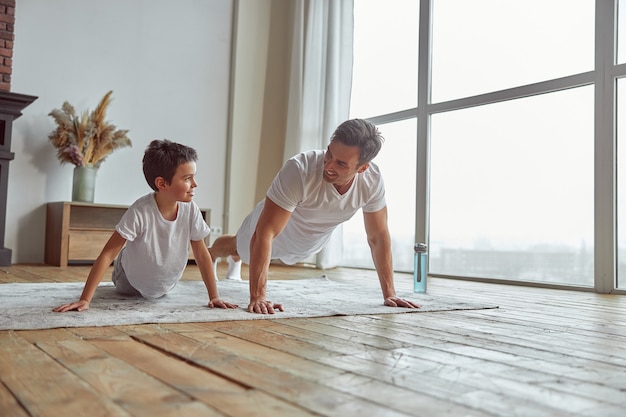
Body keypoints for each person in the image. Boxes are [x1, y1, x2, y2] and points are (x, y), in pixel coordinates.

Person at [209, 118, 420, 314]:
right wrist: (258, 297)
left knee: (261, 253)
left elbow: (378, 237)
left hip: (309, 243)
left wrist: (390, 294)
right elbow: (266, 232)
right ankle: (214, 253)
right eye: (329, 154)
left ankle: (236, 257)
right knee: (240, 247)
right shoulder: (300, 169)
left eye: (341, 164)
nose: (328, 166)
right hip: (271, 229)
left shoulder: (372, 181)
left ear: (363, 168)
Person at [53, 139, 237, 313]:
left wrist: (214, 296)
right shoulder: (140, 211)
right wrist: (85, 299)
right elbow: (108, 253)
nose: (195, 184)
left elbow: (202, 255)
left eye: (194, 177)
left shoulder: (191, 210)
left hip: (164, 284)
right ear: (162, 183)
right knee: (125, 254)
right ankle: (127, 259)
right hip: (128, 281)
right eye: (188, 178)